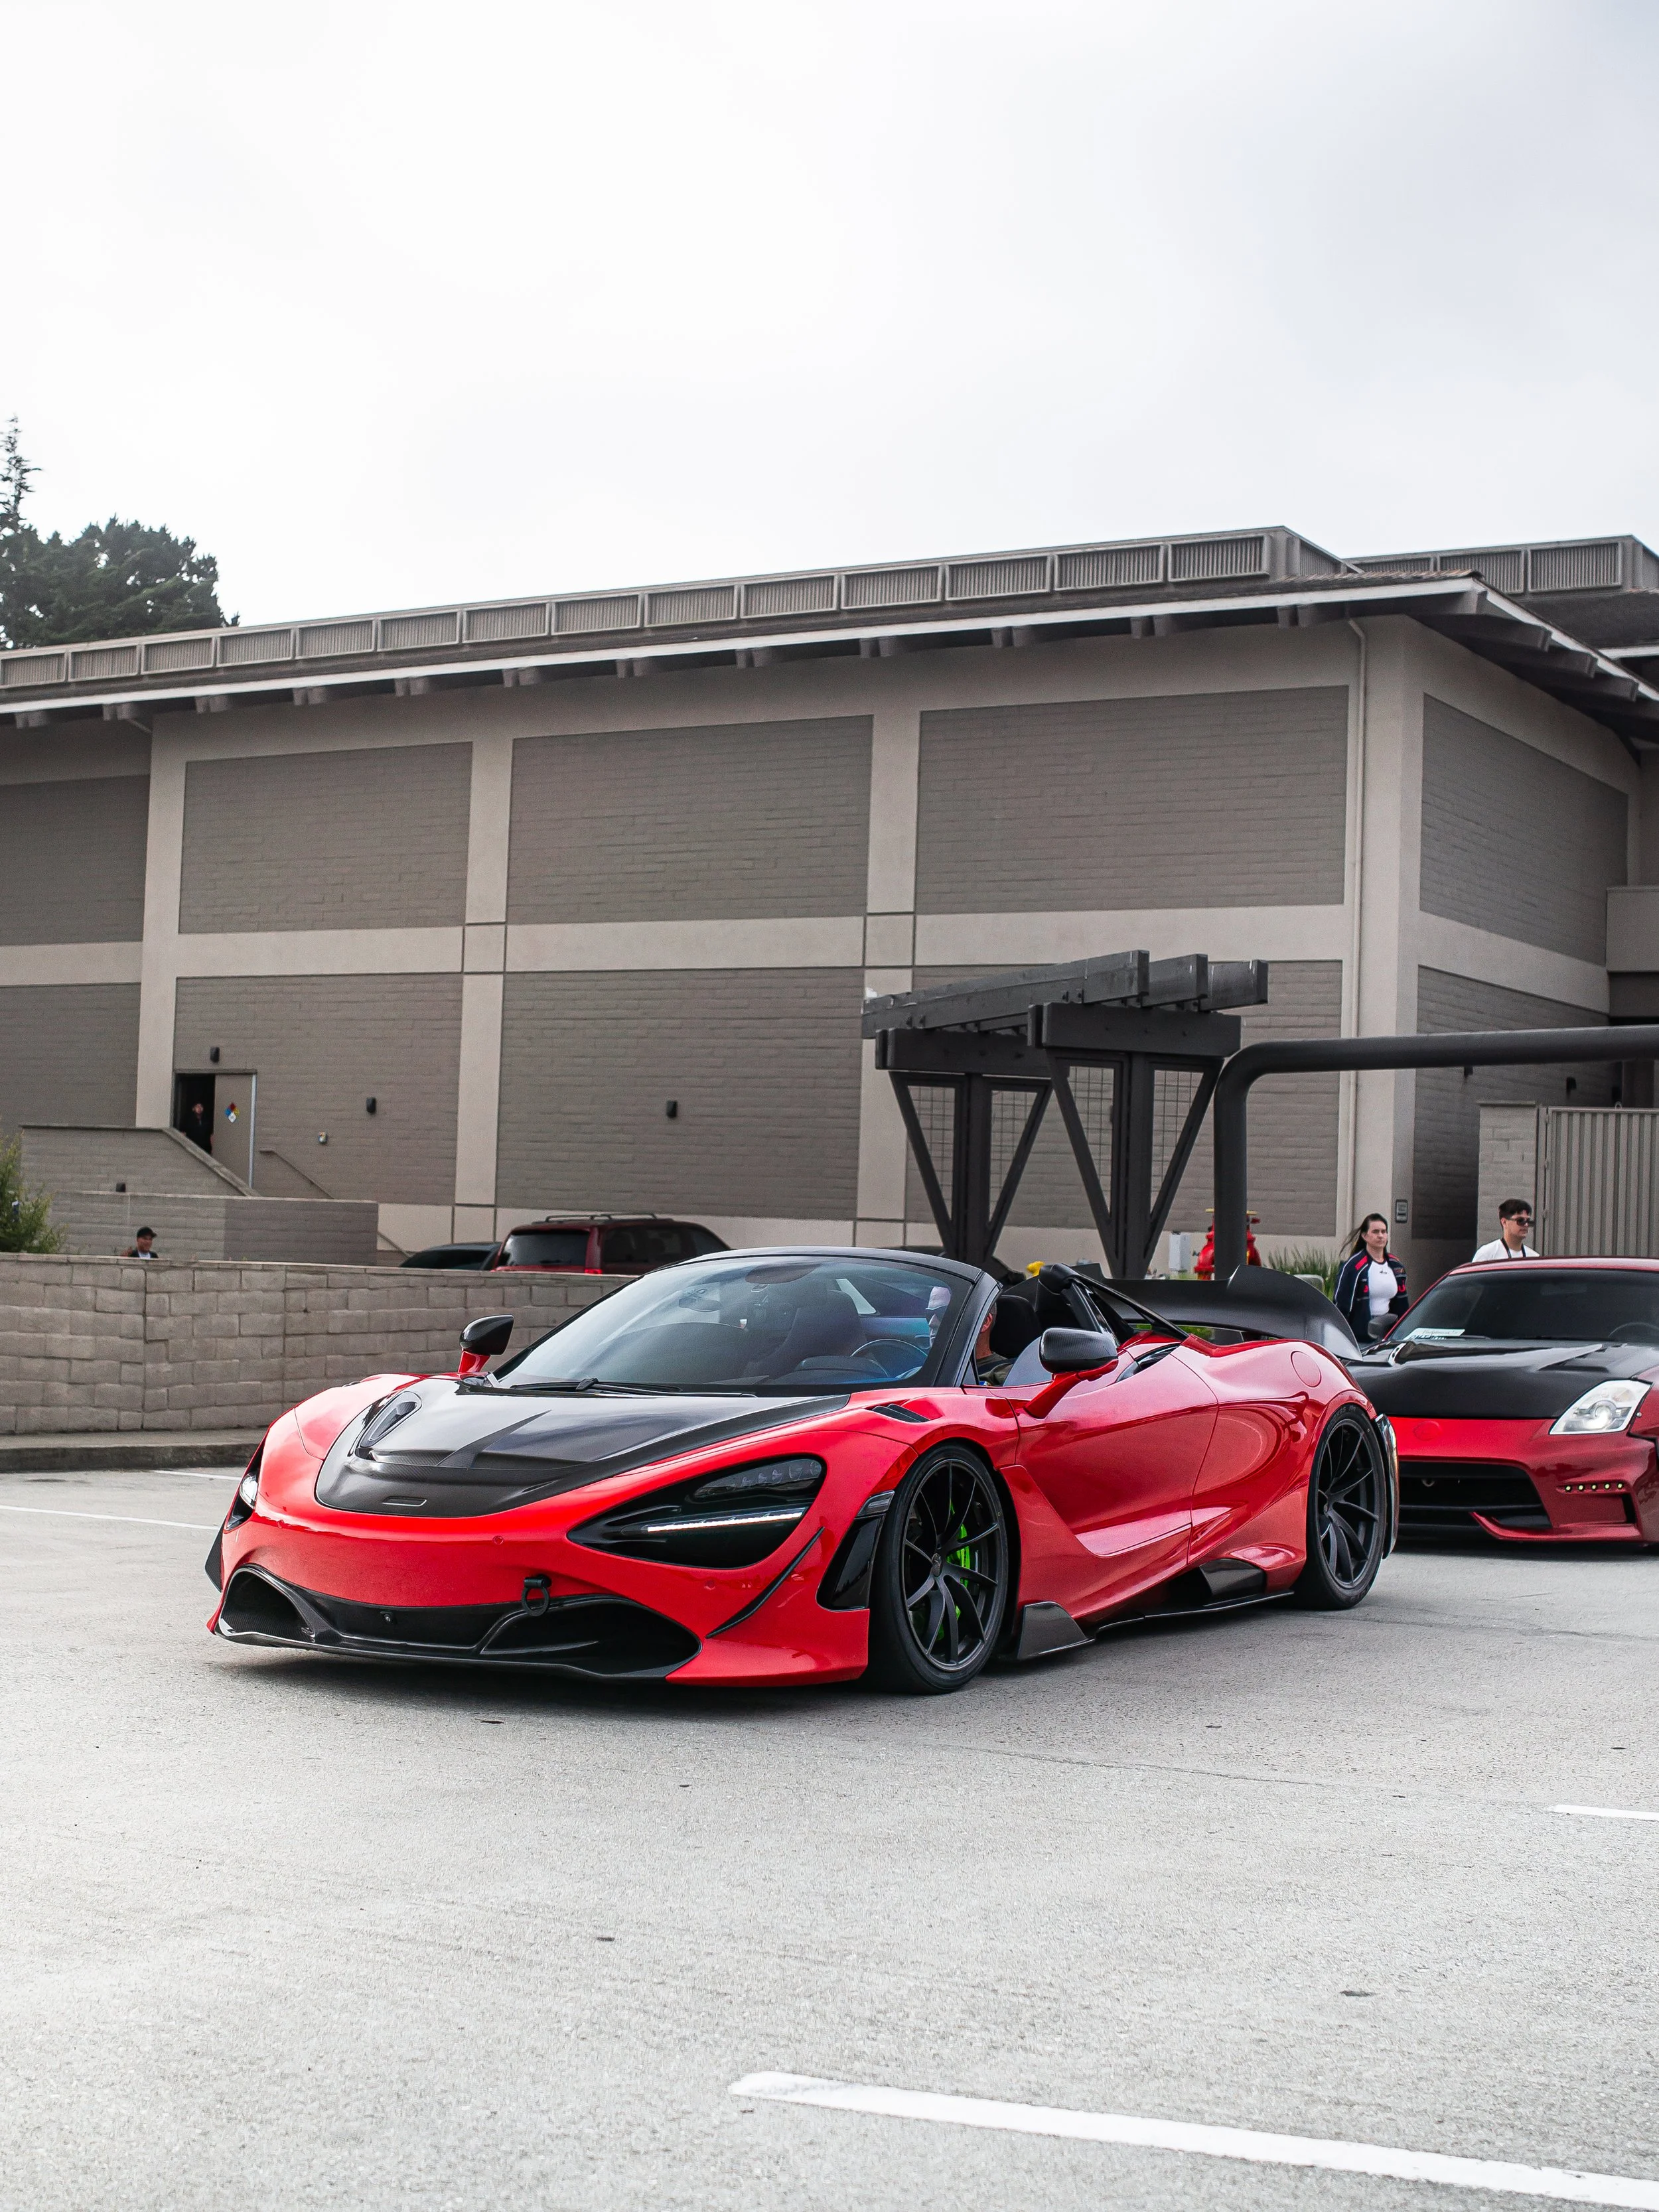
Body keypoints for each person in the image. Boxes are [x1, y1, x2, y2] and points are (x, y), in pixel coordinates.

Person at [1333, 1214, 1408, 1342]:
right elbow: (1342, 1303)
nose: (1380, 1236)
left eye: (1384, 1232)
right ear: (1365, 1236)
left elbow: (1402, 1302)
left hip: (1389, 1329)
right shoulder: (1354, 1266)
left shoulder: (1396, 1265)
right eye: (1375, 1232)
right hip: (1362, 1331)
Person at [1473, 1198, 1537, 1263]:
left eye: (1528, 1221)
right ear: (1504, 1222)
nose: (1526, 1225)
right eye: (1520, 1221)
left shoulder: (1534, 1257)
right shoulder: (1487, 1254)